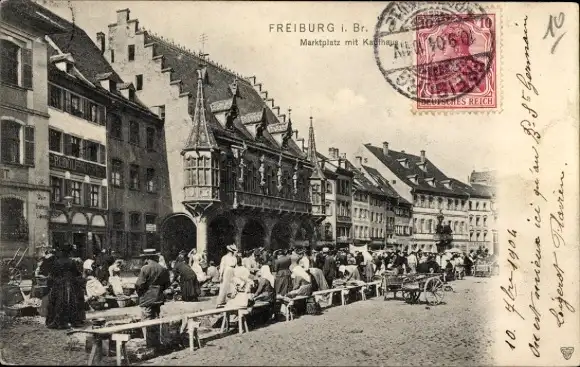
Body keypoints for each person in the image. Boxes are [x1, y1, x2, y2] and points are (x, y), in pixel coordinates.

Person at [134, 249, 171, 349]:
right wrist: (159, 290)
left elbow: (139, 284)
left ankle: (150, 344)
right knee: (156, 319)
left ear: (147, 258)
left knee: (146, 320)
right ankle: (158, 342)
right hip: (158, 298)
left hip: (147, 298)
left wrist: (140, 294)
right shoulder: (162, 268)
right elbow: (167, 284)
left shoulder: (145, 268)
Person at [45, 243, 86, 329]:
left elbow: (52, 274)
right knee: (71, 301)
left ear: (61, 252)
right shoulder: (71, 262)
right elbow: (76, 274)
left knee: (57, 302)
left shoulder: (57, 262)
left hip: (58, 284)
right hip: (69, 284)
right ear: (69, 252)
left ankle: (58, 322)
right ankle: (72, 321)